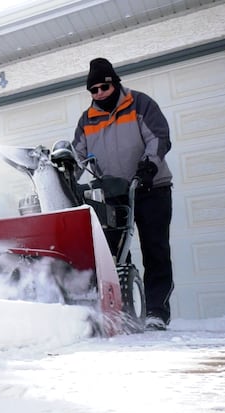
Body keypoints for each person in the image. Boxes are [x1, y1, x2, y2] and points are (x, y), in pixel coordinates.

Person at [72, 57, 174, 331]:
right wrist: (67, 176)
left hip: (151, 187)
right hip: (115, 193)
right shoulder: (87, 120)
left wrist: (149, 164)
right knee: (114, 256)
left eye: (103, 87)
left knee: (155, 249)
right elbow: (77, 156)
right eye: (93, 91)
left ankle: (156, 312)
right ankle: (123, 313)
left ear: (114, 83)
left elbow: (159, 137)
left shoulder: (140, 104)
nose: (99, 94)